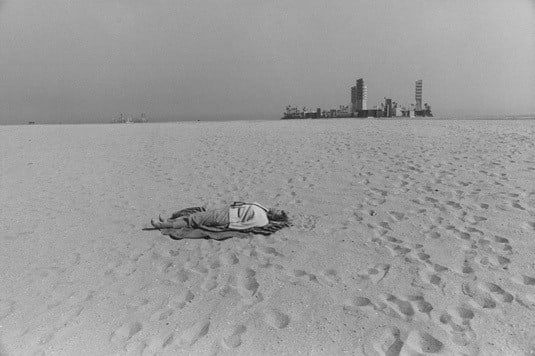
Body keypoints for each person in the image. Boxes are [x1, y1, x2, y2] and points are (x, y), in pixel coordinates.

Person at [150, 202, 289, 231]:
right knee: (197, 214)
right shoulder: (263, 210)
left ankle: (163, 225)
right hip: (226, 211)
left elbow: (247, 226)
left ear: (275, 217)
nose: (274, 208)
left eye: (277, 212)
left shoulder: (262, 219)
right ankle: (170, 220)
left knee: (194, 219)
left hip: (226, 218)